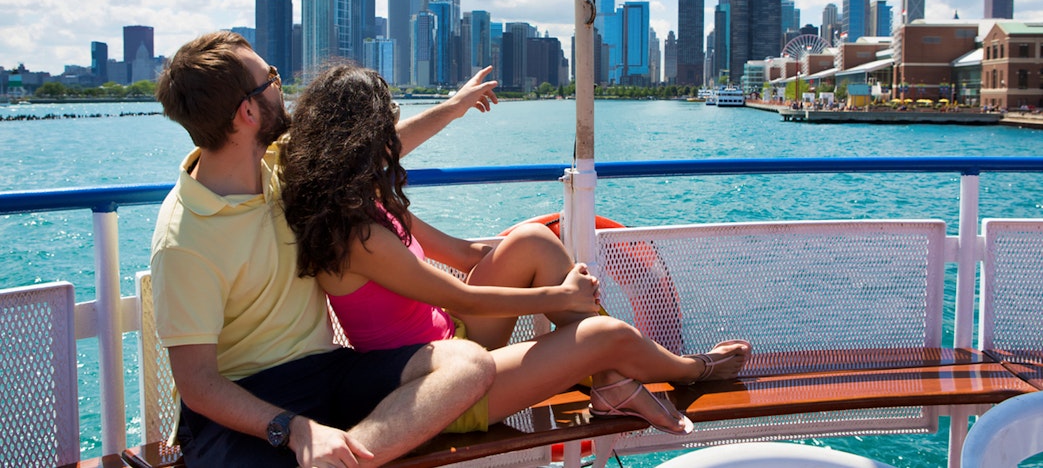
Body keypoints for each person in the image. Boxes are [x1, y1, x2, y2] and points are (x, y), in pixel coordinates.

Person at [279, 64, 753, 437]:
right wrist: (560, 298)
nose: (393, 142)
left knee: (531, 241)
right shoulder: (355, 235)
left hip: (451, 340)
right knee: (604, 334)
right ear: (363, 140)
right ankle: (692, 370)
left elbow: (463, 256)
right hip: (436, 389)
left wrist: (456, 105)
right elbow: (462, 294)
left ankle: (610, 380)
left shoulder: (359, 197)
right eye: (385, 129)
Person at [151, 31, 501, 468]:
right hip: (246, 408)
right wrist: (295, 428)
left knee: (468, 364)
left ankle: (342, 458)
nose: (282, 89)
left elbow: (369, 152)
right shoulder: (184, 238)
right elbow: (198, 384)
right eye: (272, 79)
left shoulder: (277, 162)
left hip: (327, 370)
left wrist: (454, 107)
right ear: (247, 112)